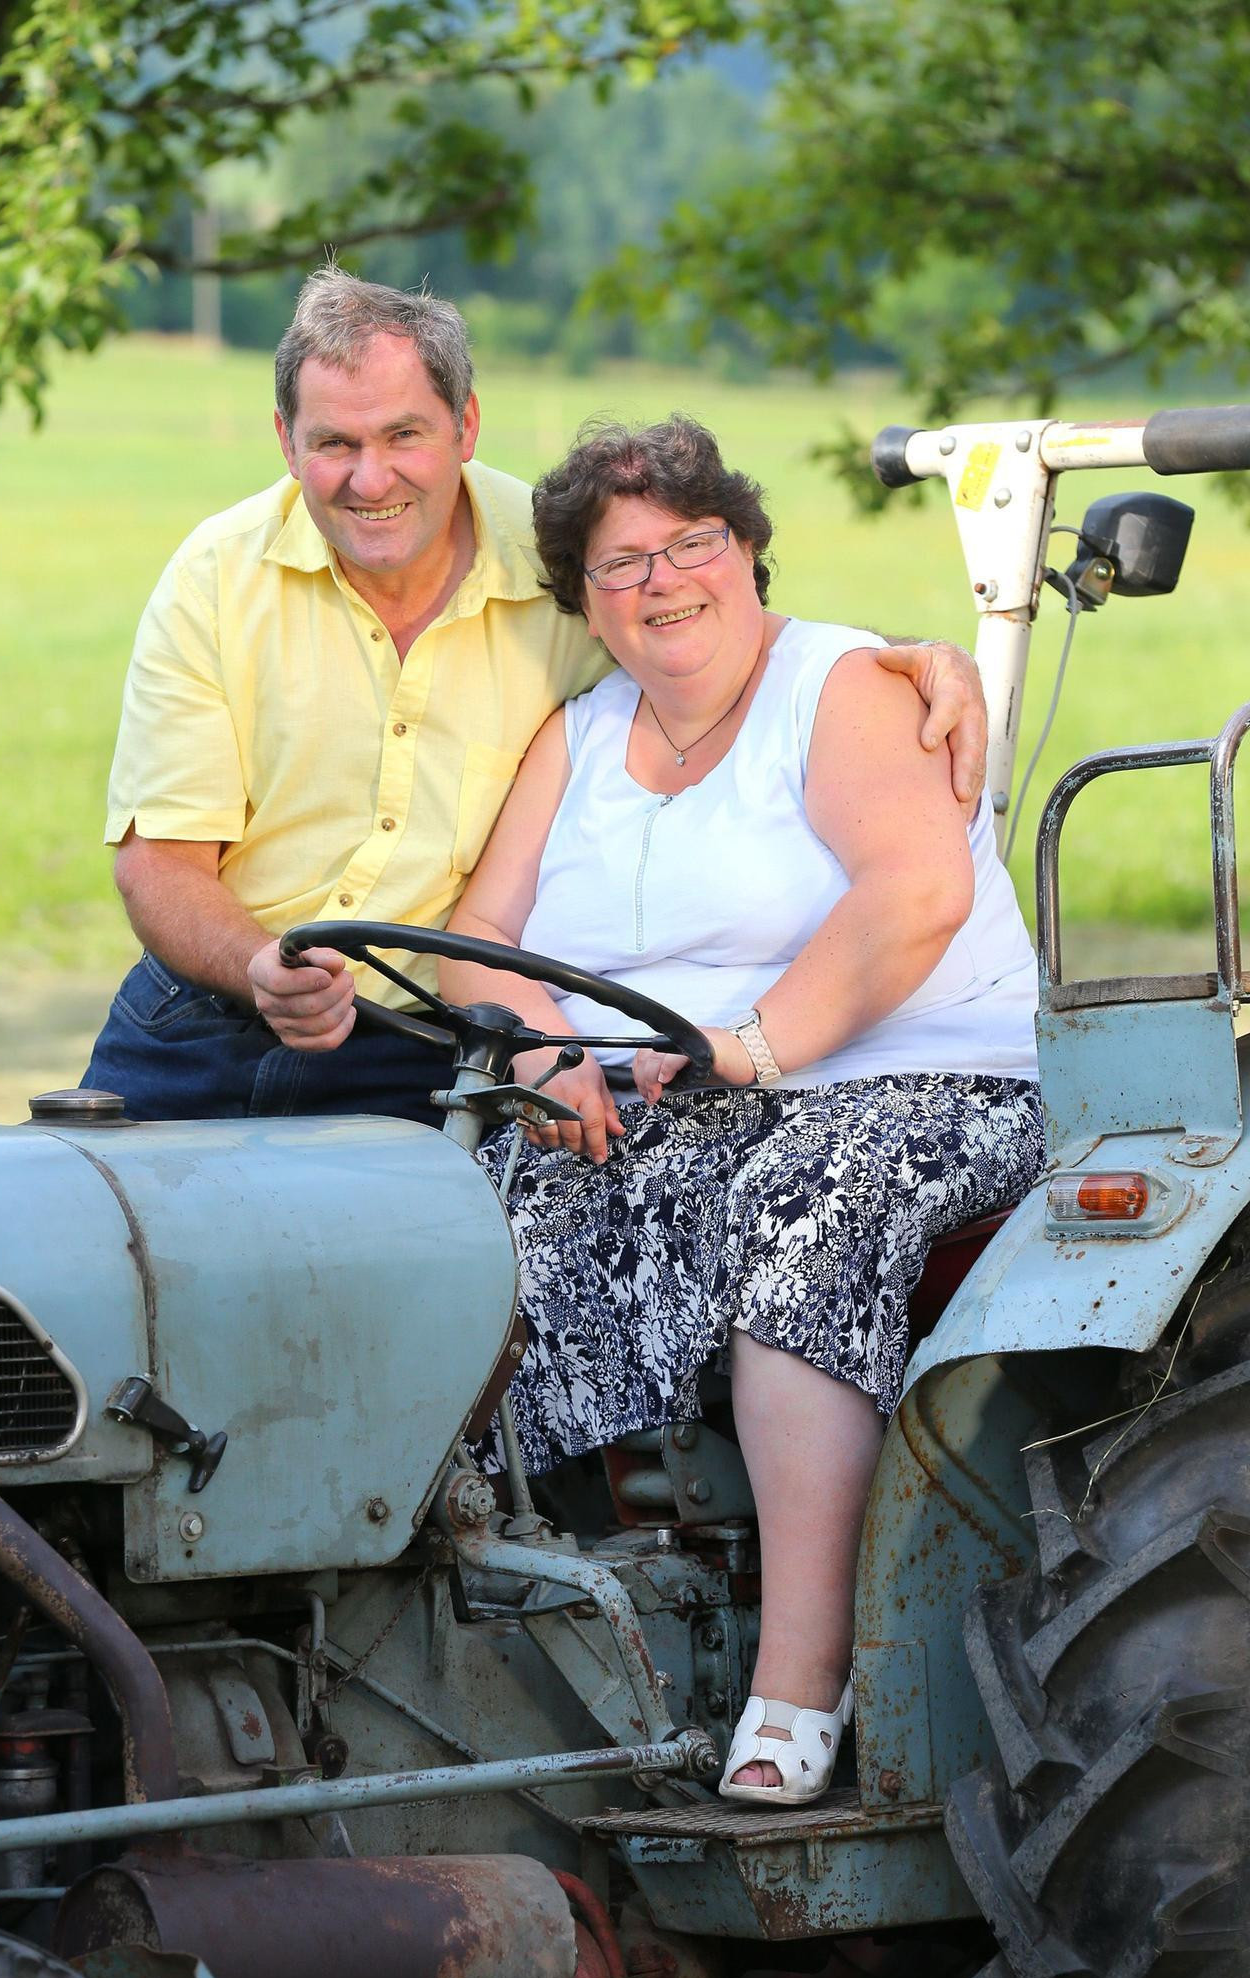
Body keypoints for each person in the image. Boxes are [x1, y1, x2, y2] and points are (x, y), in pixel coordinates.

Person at [437, 416, 1044, 1807]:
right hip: (685, 1097)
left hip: (927, 1080)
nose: (660, 582)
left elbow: (916, 895)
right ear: (585, 600)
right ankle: (576, 1624)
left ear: (749, 549)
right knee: (489, 1213)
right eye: (618, 563)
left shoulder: (842, 687)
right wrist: (536, 1050)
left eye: (690, 543)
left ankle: (801, 1669)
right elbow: (478, 936)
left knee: (806, 1205)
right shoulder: (580, 737)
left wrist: (755, 1043)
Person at [82, 267, 989, 1121]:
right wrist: (254, 966)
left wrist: (903, 658)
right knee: (44, 1250)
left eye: (404, 435)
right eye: (334, 444)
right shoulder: (215, 576)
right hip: (202, 1007)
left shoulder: (562, 560)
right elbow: (159, 863)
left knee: (405, 1277)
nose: (371, 478)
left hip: (427, 1040)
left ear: (464, 427)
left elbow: (705, 623)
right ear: (286, 442)